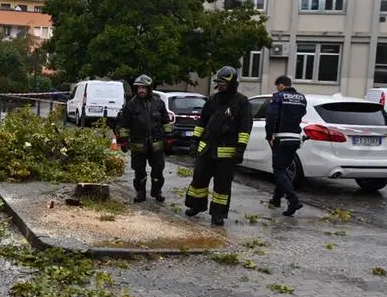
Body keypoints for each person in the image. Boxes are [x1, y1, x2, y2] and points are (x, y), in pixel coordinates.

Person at [184, 66, 252, 226]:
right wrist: (194, 142)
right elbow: (202, 122)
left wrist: (240, 149)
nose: (220, 86)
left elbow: (245, 128)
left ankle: (218, 214)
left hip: (226, 152)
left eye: (223, 83)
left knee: (222, 185)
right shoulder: (213, 100)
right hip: (207, 148)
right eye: (218, 83)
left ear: (232, 83)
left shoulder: (242, 102)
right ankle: (196, 206)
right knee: (198, 179)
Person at [117, 75, 173, 203]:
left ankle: (157, 191)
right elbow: (124, 125)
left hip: (156, 144)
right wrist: (124, 141)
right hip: (138, 145)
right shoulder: (131, 105)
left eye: (143, 88)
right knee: (139, 171)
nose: (141, 90)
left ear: (149, 88)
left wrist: (169, 138)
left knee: (158, 170)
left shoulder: (159, 103)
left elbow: (166, 122)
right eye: (139, 88)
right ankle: (140, 192)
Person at [265, 75, 307, 216]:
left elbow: (271, 117)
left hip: (281, 137)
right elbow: (302, 114)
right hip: (295, 138)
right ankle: (276, 199)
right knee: (283, 170)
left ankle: (293, 200)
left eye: (277, 86)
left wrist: (269, 135)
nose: (277, 88)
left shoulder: (278, 97)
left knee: (279, 170)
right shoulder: (302, 98)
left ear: (282, 85)